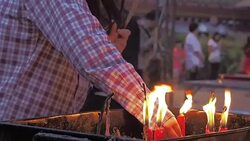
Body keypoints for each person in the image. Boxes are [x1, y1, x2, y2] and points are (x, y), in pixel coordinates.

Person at [0, 0, 181, 138]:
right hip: (13, 129)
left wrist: (109, 46)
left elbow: (83, 58)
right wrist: (158, 115)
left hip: (40, 129)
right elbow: (96, 59)